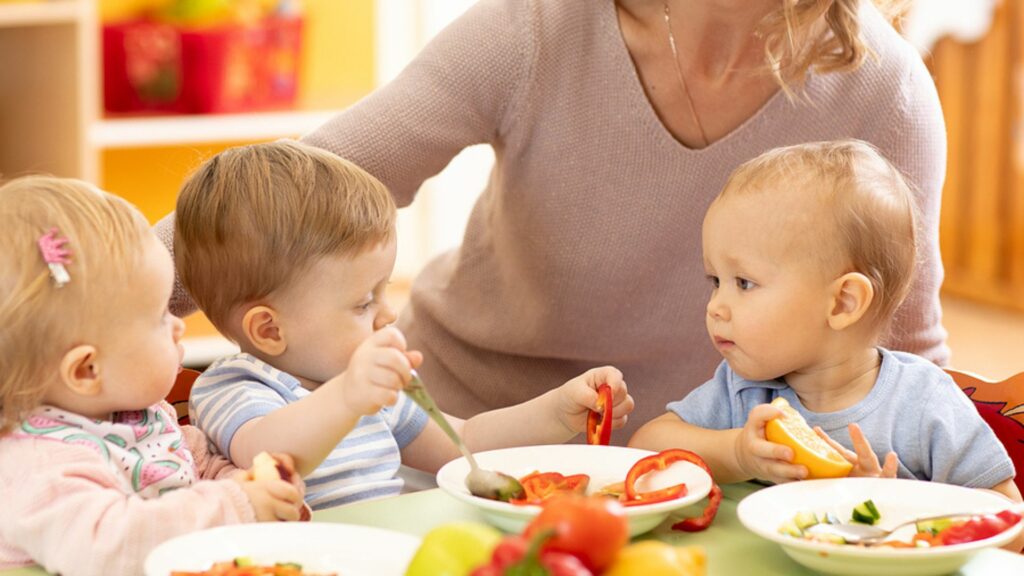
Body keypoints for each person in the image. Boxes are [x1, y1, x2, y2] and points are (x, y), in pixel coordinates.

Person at [158, 0, 949, 439]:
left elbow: (906, 350)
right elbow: (279, 204)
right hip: (447, 430)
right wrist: (77, 308)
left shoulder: (885, 93)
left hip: (703, 463)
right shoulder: (535, 30)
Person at [173, 140, 634, 510]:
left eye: (384, 289)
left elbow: (464, 445)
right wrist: (350, 395)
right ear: (269, 331)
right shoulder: (234, 387)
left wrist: (556, 412)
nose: (388, 313)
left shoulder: (366, 386)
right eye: (362, 304)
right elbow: (272, 459)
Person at [628, 141, 1019, 505]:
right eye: (716, 282)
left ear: (843, 302)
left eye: (743, 283)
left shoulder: (923, 403)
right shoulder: (744, 393)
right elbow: (644, 448)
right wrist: (738, 453)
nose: (715, 306)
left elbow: (1007, 517)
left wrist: (897, 505)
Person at [0, 177, 307, 576]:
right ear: (87, 370)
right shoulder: (38, 466)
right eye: (160, 316)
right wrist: (238, 504)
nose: (179, 326)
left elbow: (198, 470)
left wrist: (258, 490)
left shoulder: (140, 416)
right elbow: (114, 548)